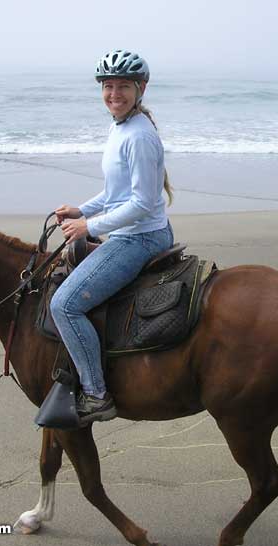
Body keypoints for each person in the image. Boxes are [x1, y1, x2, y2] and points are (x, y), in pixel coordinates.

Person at [49, 50, 174, 426]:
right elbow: (116, 194)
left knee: (64, 305)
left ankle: (97, 394)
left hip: (139, 238)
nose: (114, 93)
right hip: (130, 230)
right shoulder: (121, 126)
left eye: (123, 86)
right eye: (108, 86)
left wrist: (90, 228)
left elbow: (142, 203)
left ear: (141, 88)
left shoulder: (138, 136)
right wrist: (82, 211)